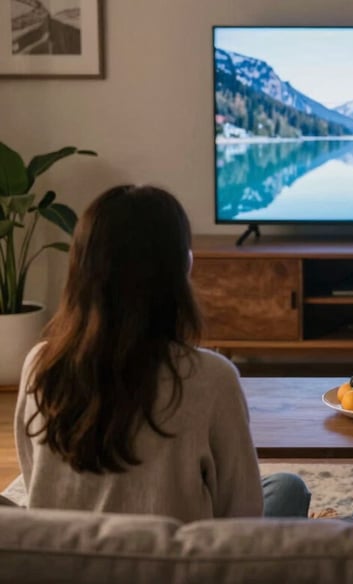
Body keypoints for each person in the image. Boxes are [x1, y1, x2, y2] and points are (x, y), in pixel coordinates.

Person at [15, 184, 310, 522]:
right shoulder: (213, 377)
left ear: (81, 269)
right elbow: (242, 517)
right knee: (287, 488)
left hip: (66, 561)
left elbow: (34, 478)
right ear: (180, 268)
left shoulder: (40, 365)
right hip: (179, 566)